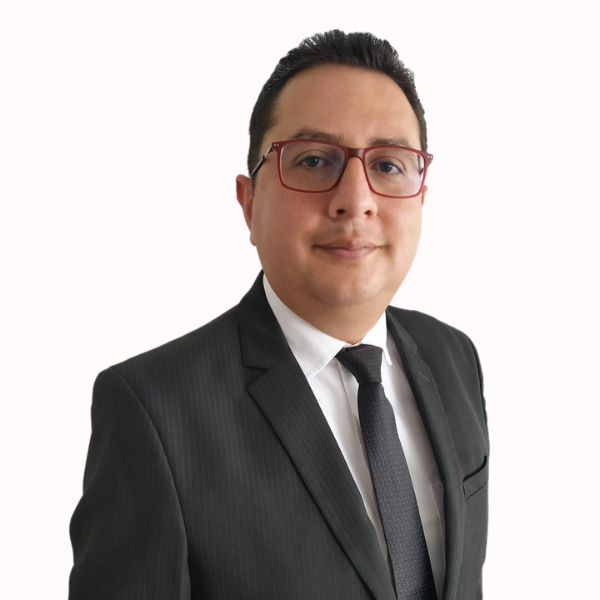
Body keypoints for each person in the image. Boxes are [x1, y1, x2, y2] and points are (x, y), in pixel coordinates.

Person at [69, 30, 489, 600]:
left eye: (389, 165)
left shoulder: (454, 357)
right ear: (249, 203)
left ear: (420, 197)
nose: (356, 199)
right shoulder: (154, 412)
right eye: (313, 160)